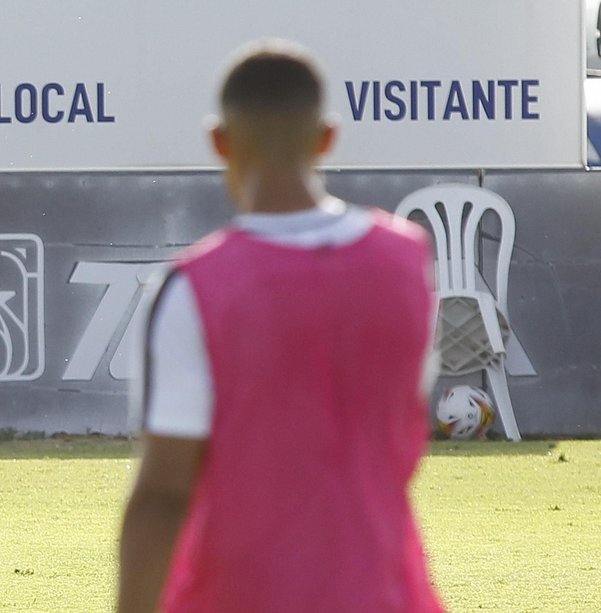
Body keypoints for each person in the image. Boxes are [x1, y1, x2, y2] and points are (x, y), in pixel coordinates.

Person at [116, 41, 444, 613]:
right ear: (328, 137)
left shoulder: (193, 287)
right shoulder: (408, 262)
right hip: (388, 594)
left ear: (219, 141)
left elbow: (165, 494)